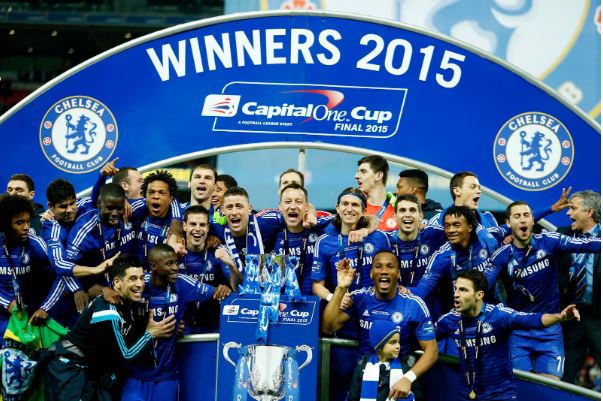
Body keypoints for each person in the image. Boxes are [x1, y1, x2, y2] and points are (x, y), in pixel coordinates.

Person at [486, 201, 600, 379]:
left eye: (526, 215)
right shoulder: (501, 255)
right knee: (522, 385)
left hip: (550, 329)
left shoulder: (549, 241)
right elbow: (480, 286)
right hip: (518, 331)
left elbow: (586, 244)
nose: (522, 220)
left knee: (550, 385)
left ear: (533, 220)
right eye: (517, 216)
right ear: (508, 223)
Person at [43, 253, 176, 401]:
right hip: (69, 371)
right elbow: (125, 356)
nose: (140, 284)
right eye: (133, 278)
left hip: (90, 372)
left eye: (141, 277)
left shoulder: (127, 303)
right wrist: (150, 334)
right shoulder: (108, 311)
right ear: (117, 282)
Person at [435, 270, 581, 401]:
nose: (456, 294)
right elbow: (426, 340)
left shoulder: (498, 315)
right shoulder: (448, 321)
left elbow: (532, 319)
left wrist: (560, 317)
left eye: (463, 290)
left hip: (501, 395)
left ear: (479, 295)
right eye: (455, 289)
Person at [322, 250, 438, 400]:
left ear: (398, 273)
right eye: (378, 266)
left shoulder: (414, 305)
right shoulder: (360, 298)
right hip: (364, 379)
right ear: (371, 273)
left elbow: (432, 351)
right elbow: (328, 327)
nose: (384, 271)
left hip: (400, 381)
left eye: (390, 266)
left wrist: (408, 378)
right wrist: (341, 288)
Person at [121, 245, 215, 401]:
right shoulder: (138, 284)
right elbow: (113, 290)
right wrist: (106, 291)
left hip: (166, 377)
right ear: (153, 266)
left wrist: (222, 289)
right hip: (135, 375)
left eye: (176, 262)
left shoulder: (181, 283)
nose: (176, 268)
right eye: (169, 263)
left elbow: (217, 293)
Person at [0, 194, 66, 344]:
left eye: (28, 221)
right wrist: (7, 303)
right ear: (5, 224)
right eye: (19, 222)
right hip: (3, 315)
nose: (26, 227)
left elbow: (61, 276)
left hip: (32, 315)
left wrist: (45, 307)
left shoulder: (36, 245)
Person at [312, 187, 391, 302]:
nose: (349, 209)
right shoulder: (324, 242)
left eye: (355, 205)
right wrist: (334, 298)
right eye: (345, 204)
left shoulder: (380, 237)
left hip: (374, 305)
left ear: (363, 211)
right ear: (337, 208)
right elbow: (317, 286)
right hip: (342, 306)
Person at [557, 190, 601, 384]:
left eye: (573, 208)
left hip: (598, 315)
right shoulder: (562, 234)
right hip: (570, 314)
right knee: (565, 375)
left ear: (589, 212)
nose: (568, 213)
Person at [65, 184, 136, 300]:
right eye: (109, 208)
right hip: (93, 287)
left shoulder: (130, 214)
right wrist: (77, 289)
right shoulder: (84, 230)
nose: (115, 213)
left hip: (120, 282)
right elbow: (65, 265)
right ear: (99, 204)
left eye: (119, 208)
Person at [179, 205, 240, 333]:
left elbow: (239, 287)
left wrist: (231, 268)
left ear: (208, 228)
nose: (197, 229)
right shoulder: (174, 253)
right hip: (182, 328)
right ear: (184, 226)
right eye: (193, 224)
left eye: (202, 225)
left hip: (212, 329)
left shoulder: (218, 252)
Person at [272, 183, 331, 295]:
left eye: (298, 202)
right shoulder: (272, 230)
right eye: (288, 202)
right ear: (280, 207)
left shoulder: (320, 226)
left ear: (307, 207)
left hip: (314, 301)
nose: (293, 206)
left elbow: (347, 219)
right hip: (282, 301)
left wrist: (363, 230)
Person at [387, 194, 444, 289]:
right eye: (402, 210)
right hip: (397, 297)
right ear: (395, 216)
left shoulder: (434, 234)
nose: (407, 215)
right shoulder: (385, 240)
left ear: (421, 216)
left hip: (428, 297)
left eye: (412, 210)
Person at [130, 170, 183, 269]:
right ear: (145, 195)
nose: (156, 196)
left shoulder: (180, 217)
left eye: (162, 193)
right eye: (151, 192)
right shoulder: (137, 209)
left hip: (161, 275)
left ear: (170, 198)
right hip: (137, 275)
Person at [347, 320, 412, 401]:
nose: (398, 346)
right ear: (379, 346)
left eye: (399, 342)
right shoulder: (361, 368)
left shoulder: (405, 369)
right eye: (393, 342)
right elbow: (352, 397)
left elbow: (417, 396)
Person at [355, 155, 397, 231]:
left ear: (378, 176)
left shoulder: (399, 210)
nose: (356, 176)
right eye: (358, 172)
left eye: (363, 172)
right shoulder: (354, 208)